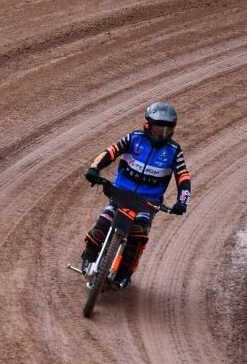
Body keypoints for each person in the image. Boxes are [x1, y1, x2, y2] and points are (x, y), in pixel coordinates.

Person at [81, 101, 191, 289]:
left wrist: (182, 202)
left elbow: (183, 176)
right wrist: (94, 169)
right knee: (104, 221)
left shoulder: (174, 151)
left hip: (147, 202)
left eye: (166, 130)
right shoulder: (134, 138)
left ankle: (124, 273)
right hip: (121, 194)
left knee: (138, 233)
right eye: (158, 129)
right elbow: (111, 151)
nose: (161, 134)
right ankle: (89, 256)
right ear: (147, 125)